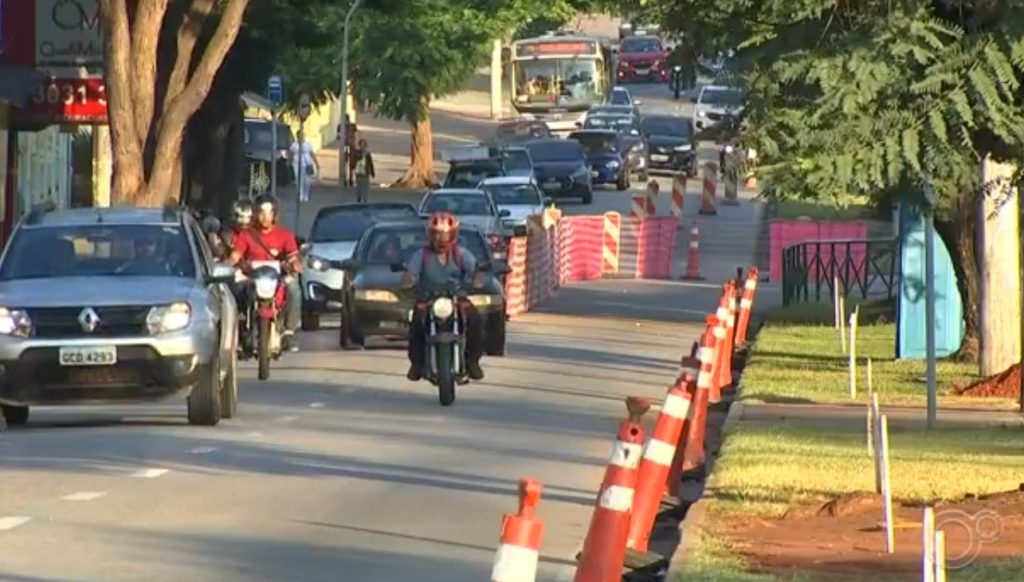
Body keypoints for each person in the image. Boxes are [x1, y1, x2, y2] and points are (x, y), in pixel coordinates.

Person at [402, 212, 486, 381]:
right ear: (430, 235)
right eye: (437, 235)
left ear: (453, 235)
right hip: (428, 299)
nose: (441, 239)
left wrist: (477, 279)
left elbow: (475, 271)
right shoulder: (422, 255)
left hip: (457, 297)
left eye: (446, 235)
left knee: (475, 319)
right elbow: (409, 274)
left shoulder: (461, 254)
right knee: (416, 322)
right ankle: (417, 364)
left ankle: (473, 362)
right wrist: (408, 281)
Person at [227, 193, 304, 352]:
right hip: (252, 279)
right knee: (232, 291)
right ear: (255, 213)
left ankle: (289, 332)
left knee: (294, 289)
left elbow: (293, 256)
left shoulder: (285, 235)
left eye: (269, 212)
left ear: (275, 215)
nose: (265, 217)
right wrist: (227, 265)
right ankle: (240, 328)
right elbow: (235, 256)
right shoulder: (246, 235)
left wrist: (295, 264)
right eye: (261, 212)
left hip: (278, 279)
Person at [289, 129, 319, 203]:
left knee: (307, 180)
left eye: (301, 135)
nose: (300, 137)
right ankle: (300, 195)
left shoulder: (308, 144)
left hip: (307, 163)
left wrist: (316, 163)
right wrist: (290, 162)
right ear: (297, 136)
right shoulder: (294, 145)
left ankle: (306, 194)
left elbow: (312, 154)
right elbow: (291, 154)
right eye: (299, 136)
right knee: (299, 180)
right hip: (296, 164)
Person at [351, 138, 375, 203]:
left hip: (366, 173)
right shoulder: (357, 153)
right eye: (362, 145)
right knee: (359, 186)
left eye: (364, 145)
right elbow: (353, 161)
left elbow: (371, 163)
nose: (363, 147)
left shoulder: (368, 155)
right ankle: (358, 198)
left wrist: (372, 173)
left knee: (365, 187)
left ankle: (365, 200)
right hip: (359, 173)